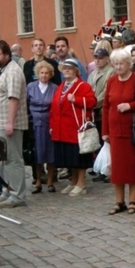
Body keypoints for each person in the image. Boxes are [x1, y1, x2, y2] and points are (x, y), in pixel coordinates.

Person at [102, 48, 135, 213]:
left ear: (129, 64)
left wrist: (130, 106)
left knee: (133, 166)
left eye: (121, 63)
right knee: (117, 168)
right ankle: (119, 201)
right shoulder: (111, 81)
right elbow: (106, 107)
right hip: (115, 131)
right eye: (115, 64)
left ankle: (133, 200)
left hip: (132, 130)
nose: (118, 67)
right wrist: (105, 131)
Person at [0, 39, 29, 208]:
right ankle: (7, 190)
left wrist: (10, 123)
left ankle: (17, 195)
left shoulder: (13, 71)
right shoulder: (1, 71)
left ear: (6, 54)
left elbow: (13, 99)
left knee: (13, 159)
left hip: (10, 123)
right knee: (3, 160)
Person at [50, 58, 96, 196]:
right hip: (63, 129)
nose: (67, 70)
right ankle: (73, 181)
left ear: (76, 71)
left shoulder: (83, 86)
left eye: (69, 68)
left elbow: (92, 102)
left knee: (79, 157)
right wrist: (52, 125)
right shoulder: (62, 86)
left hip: (76, 128)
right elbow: (53, 107)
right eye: (64, 68)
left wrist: (76, 100)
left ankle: (81, 183)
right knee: (70, 157)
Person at [28, 61, 57, 193]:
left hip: (49, 124)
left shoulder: (55, 88)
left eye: (46, 73)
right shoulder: (30, 87)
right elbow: (25, 104)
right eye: (42, 73)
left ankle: (50, 181)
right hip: (34, 123)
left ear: (50, 74)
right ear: (37, 74)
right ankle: (38, 181)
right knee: (36, 153)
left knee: (50, 152)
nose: (44, 75)